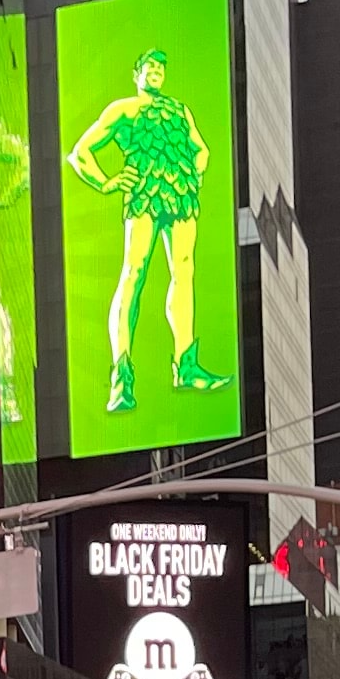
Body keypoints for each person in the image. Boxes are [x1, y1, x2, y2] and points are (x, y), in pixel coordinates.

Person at [65, 42, 226, 414]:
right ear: (137, 74)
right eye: (150, 67)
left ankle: (185, 363)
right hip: (143, 195)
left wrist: (196, 170)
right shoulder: (123, 109)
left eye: (160, 68)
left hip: (180, 193)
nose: (156, 72)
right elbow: (81, 152)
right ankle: (121, 373)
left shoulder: (179, 110)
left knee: (184, 268)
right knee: (134, 272)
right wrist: (107, 182)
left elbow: (201, 149)